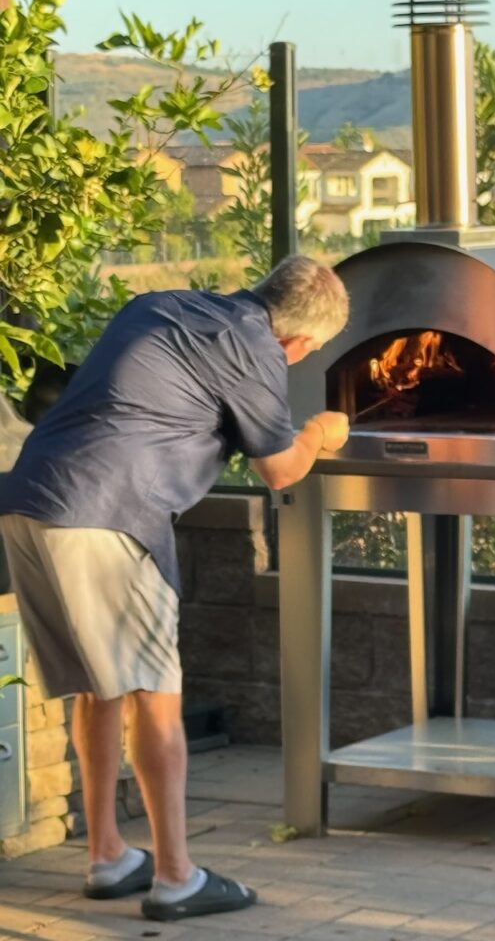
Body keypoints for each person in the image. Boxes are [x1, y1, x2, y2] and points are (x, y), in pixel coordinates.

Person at [0, 254, 350, 922]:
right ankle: (176, 876)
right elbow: (281, 470)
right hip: (107, 515)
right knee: (155, 697)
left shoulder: (159, 305)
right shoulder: (255, 348)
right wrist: (320, 432)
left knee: (98, 688)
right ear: (301, 341)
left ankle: (107, 855)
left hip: (27, 501)